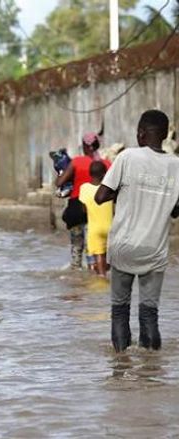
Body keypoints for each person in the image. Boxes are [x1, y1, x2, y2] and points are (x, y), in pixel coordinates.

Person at [94, 110, 179, 352]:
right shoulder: (177, 165)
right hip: (155, 249)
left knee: (120, 309)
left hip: (124, 246)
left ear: (141, 133)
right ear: (164, 135)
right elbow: (175, 211)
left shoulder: (127, 157)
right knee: (150, 314)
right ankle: (151, 370)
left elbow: (101, 196)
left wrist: (123, 191)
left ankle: (121, 367)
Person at [56, 132, 111, 270]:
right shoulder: (106, 164)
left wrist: (61, 172)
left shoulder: (77, 162)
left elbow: (59, 182)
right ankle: (95, 278)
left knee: (76, 246)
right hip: (99, 211)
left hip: (77, 208)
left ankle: (77, 280)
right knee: (94, 248)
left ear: (86, 147)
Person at [78, 161, 113, 277]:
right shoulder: (109, 189)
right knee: (108, 257)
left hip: (94, 229)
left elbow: (83, 209)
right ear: (104, 174)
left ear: (90, 173)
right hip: (111, 228)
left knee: (99, 255)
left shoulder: (84, 188)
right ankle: (106, 274)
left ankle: (101, 278)